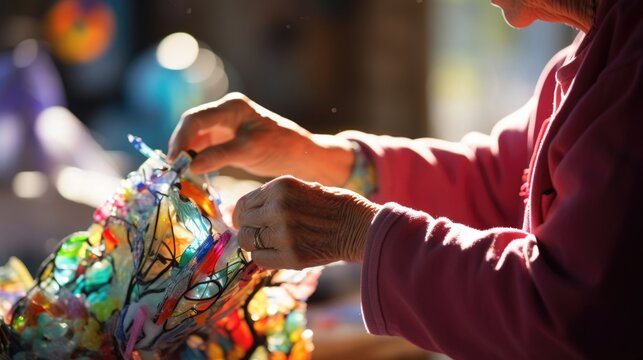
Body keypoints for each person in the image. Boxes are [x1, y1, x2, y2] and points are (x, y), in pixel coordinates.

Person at [168, 0, 643, 357]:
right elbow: (495, 182)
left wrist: (358, 233)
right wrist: (312, 154)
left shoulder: (631, 80)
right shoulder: (591, 52)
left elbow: (566, 317)